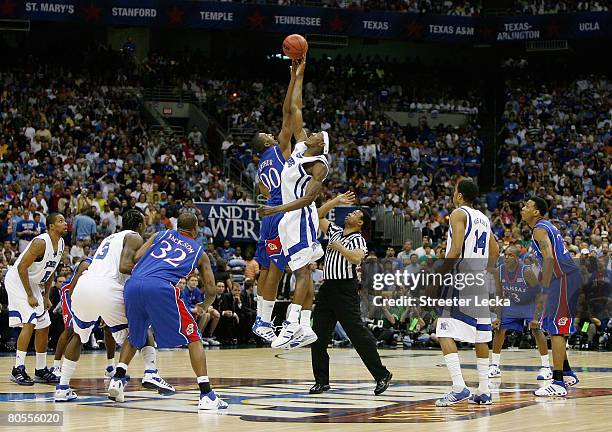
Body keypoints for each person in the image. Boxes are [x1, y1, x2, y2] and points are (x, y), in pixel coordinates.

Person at [107, 212, 227, 410]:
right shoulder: (199, 252)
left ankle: (117, 380)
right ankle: (207, 395)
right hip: (161, 287)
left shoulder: (160, 235)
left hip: (134, 284)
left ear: (178, 226)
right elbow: (212, 290)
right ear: (196, 230)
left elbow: (136, 258)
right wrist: (204, 306)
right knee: (194, 337)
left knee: (135, 335)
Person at [55, 210, 174, 402]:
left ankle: (62, 387)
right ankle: (147, 372)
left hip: (85, 287)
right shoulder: (134, 237)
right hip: (107, 287)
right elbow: (124, 266)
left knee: (78, 336)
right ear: (141, 225)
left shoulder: (109, 238)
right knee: (141, 324)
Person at [258, 65, 331, 350]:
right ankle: (305, 325)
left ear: (321, 144)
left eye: (318, 134)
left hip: (300, 216)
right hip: (290, 219)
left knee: (301, 273)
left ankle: (290, 325)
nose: (312, 132)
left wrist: (274, 211)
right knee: (303, 271)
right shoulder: (301, 148)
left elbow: (309, 200)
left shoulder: (319, 165)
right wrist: (296, 75)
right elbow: (294, 109)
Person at [310, 192, 392, 395]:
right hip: (327, 289)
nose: (349, 214)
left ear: (360, 222)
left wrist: (339, 248)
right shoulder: (335, 231)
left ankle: (382, 374)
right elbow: (317, 216)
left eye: (355, 213)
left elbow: (356, 259)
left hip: (345, 289)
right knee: (317, 336)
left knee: (357, 335)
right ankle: (322, 381)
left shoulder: (358, 239)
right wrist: (336, 201)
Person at [251, 59, 305, 343]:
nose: (273, 134)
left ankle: (261, 318)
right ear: (268, 143)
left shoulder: (260, 167)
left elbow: (262, 191)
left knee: (267, 267)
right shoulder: (279, 148)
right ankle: (267, 319)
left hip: (270, 213)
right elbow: (288, 112)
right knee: (277, 268)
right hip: (281, 214)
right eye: (268, 136)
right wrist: (294, 79)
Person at [434, 179, 499, 406]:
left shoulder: (458, 213)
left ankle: (459, 387)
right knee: (480, 335)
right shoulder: (484, 218)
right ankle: (483, 390)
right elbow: (495, 250)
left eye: (454, 192)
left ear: (460, 196)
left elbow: (455, 248)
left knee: (443, 330)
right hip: (479, 279)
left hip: (461, 278)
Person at [521, 197, 582, 397]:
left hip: (562, 278)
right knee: (552, 325)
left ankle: (557, 382)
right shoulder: (545, 227)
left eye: (527, 206)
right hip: (565, 277)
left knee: (557, 329)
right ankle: (566, 373)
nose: (523, 208)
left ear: (536, 212)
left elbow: (548, 258)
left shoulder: (539, 228)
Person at [6, 212, 66, 385]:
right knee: (30, 321)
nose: (65, 223)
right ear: (51, 226)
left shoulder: (60, 243)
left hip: (33, 283)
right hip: (17, 280)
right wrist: (31, 295)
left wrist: (46, 296)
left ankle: (40, 370)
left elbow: (51, 270)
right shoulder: (40, 243)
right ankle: (18, 368)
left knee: (44, 324)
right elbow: (21, 268)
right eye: (60, 221)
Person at [489, 246, 552, 380]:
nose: (506, 257)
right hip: (513, 303)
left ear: (517, 258)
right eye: (505, 254)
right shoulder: (499, 271)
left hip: (530, 303)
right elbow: (499, 295)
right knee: (499, 329)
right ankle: (494, 366)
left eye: (510, 255)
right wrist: (498, 317)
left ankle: (546, 367)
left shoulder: (527, 272)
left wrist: (535, 318)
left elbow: (539, 295)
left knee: (536, 330)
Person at [52, 257, 92, 377]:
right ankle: (56, 366)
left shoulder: (108, 268)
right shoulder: (88, 263)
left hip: (84, 294)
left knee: (78, 332)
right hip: (70, 291)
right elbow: (72, 289)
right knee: (70, 328)